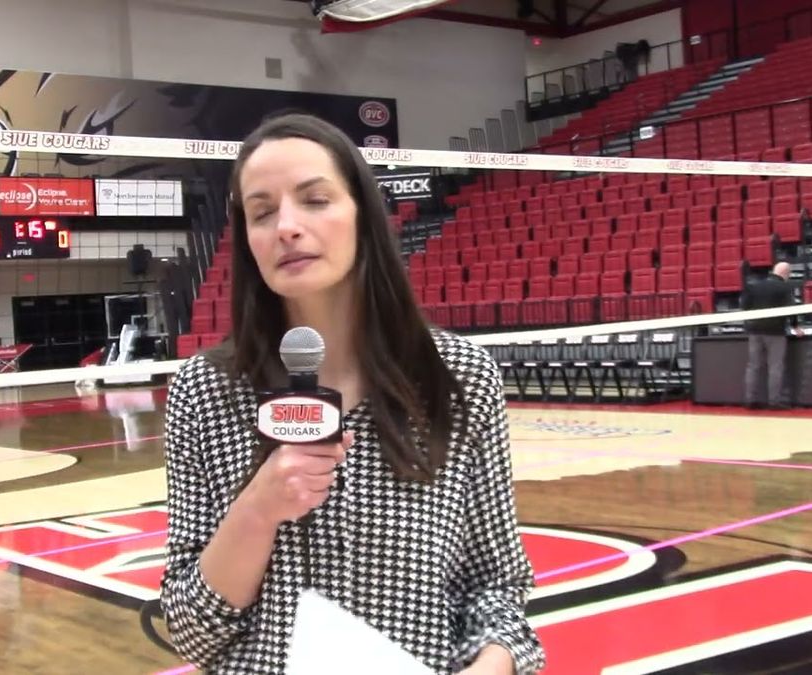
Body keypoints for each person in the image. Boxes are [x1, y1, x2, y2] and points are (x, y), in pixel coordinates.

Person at [160, 113, 544, 674]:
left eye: (314, 200)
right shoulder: (203, 392)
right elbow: (191, 632)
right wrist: (258, 509)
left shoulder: (459, 377)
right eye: (262, 212)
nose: (287, 227)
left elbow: (497, 588)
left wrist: (494, 663)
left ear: (363, 213)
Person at [741, 261, 801, 409]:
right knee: (775, 367)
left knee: (753, 366)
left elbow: (745, 306)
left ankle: (750, 400)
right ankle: (774, 401)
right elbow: (791, 309)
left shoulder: (755, 286)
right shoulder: (785, 287)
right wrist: (795, 326)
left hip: (755, 330)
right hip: (775, 331)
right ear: (786, 273)